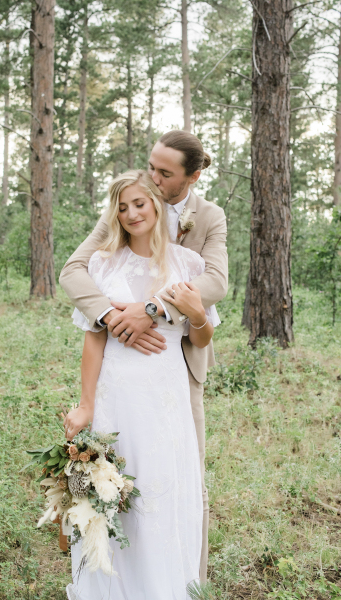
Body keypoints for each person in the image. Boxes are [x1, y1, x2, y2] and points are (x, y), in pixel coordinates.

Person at [60, 130, 228, 582]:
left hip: (173, 375)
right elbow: (74, 271)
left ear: (191, 176)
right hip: (118, 386)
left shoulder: (205, 221)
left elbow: (214, 288)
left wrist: (157, 309)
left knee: (177, 480)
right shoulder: (125, 210)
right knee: (111, 481)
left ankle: (181, 579)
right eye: (151, 166)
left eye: (163, 173)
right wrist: (113, 318)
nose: (152, 177)